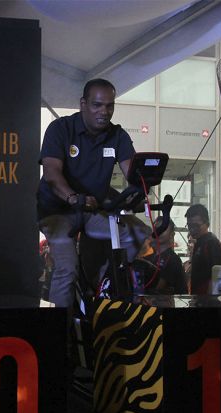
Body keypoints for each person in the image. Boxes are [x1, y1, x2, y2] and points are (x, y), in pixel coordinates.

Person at [37, 78, 149, 307]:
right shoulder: (61, 129)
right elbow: (51, 173)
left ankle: (101, 285)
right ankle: (60, 333)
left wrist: (139, 190)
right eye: (97, 105)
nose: (104, 111)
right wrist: (72, 197)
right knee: (67, 269)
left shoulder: (118, 136)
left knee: (138, 231)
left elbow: (132, 172)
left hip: (91, 210)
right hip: (58, 211)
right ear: (83, 104)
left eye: (110, 106)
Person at [184, 204, 221, 294]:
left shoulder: (212, 244)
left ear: (207, 223)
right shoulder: (199, 242)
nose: (192, 229)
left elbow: (217, 276)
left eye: (196, 225)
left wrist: (209, 301)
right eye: (189, 225)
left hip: (208, 301)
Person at [139, 218, 185, 294]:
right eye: (156, 228)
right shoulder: (149, 256)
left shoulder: (173, 259)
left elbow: (159, 288)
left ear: (172, 234)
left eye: (163, 228)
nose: (159, 231)